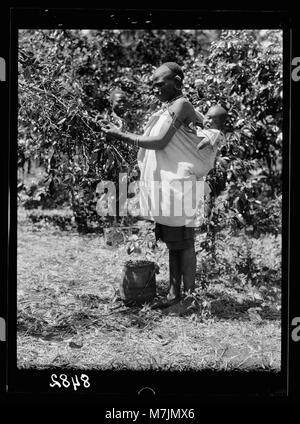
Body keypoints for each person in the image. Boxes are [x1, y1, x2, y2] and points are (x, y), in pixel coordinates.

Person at [100, 62, 217, 308]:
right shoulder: (168, 108)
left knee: (185, 244)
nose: (155, 89)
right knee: (174, 244)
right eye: (152, 85)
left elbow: (160, 142)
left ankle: (190, 299)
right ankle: (174, 296)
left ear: (176, 81)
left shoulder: (181, 105)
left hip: (181, 186)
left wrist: (121, 135)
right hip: (168, 188)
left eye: (159, 84)